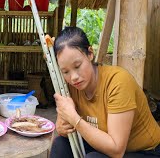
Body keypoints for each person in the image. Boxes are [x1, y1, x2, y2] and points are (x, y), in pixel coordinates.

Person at [50, 27, 160, 158]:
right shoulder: (70, 85)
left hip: (144, 152)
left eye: (77, 66)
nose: (73, 77)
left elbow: (116, 150)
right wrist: (61, 127)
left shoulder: (118, 82)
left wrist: (74, 118)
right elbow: (62, 126)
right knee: (60, 145)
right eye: (65, 71)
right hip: (102, 143)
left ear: (90, 53)